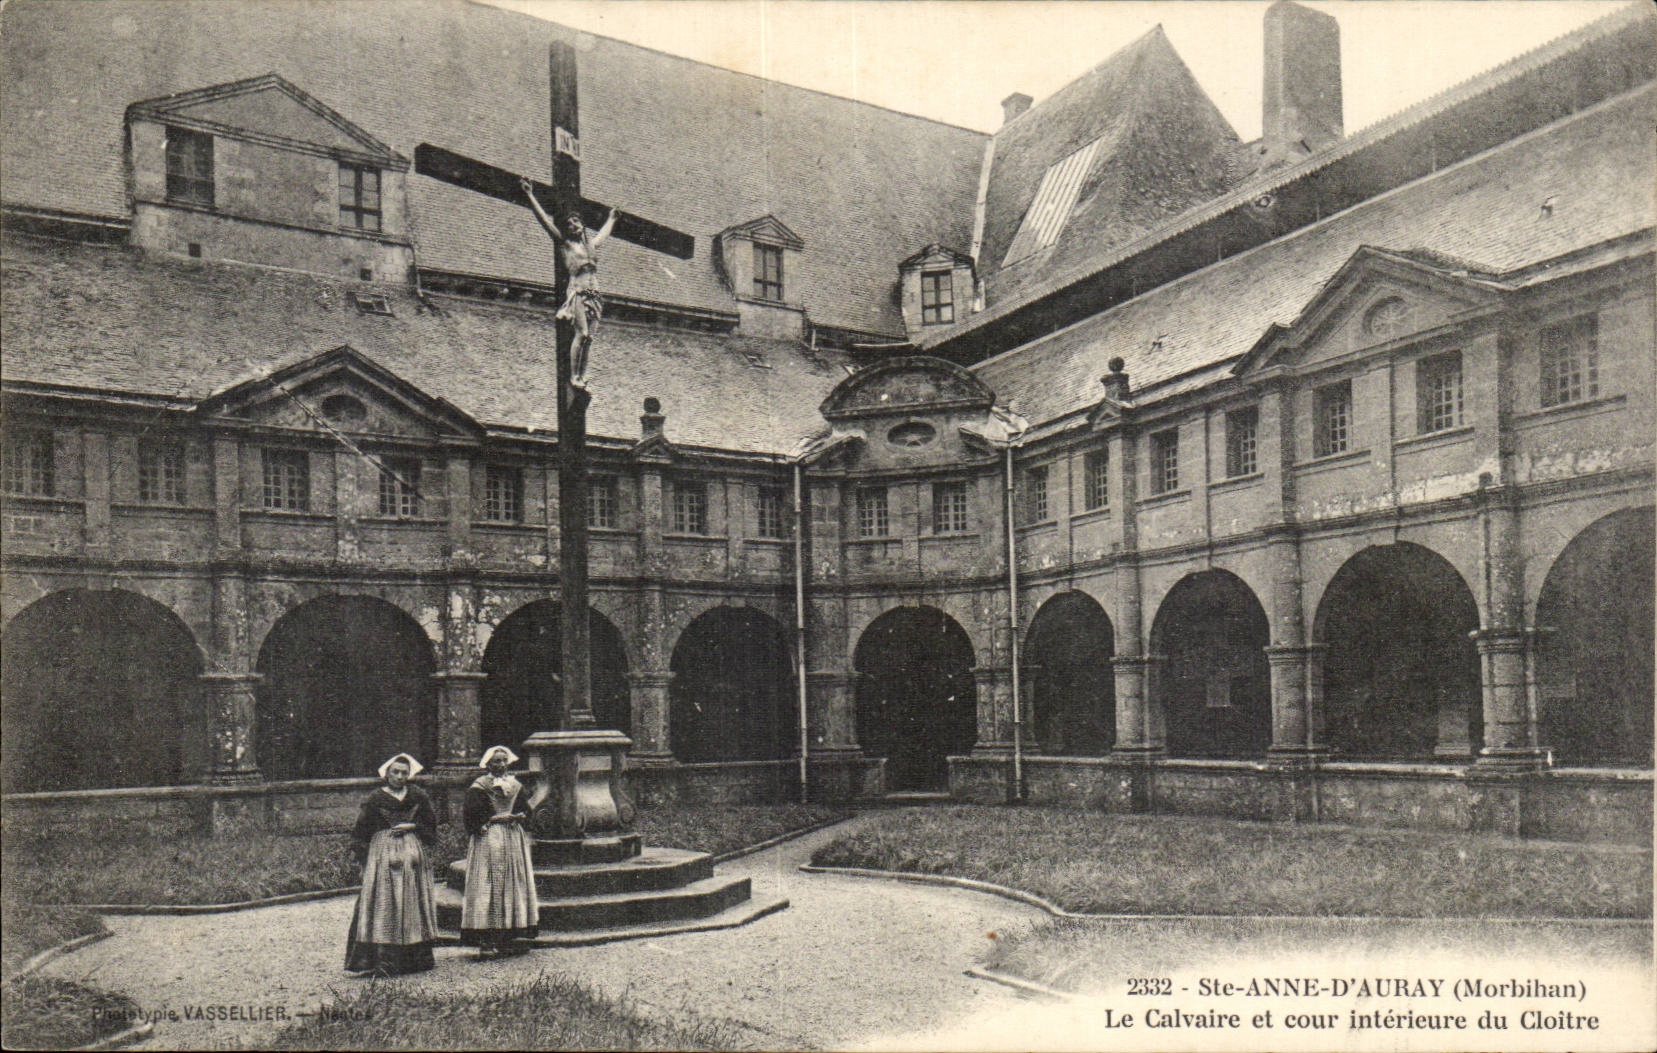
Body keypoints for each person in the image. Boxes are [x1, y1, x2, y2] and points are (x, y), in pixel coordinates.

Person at [344, 753, 439, 976]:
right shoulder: (375, 799)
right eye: (395, 772)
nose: (399, 776)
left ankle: (416, 959)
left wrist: (413, 827)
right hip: (383, 856)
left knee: (413, 902)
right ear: (387, 774)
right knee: (384, 904)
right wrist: (365, 861)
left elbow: (431, 825)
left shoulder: (418, 796)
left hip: (411, 857)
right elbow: (361, 832)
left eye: (404, 773)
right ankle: (384, 961)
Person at [521, 177, 616, 391]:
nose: (573, 226)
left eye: (576, 222)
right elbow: (545, 222)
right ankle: (574, 375)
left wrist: (611, 218)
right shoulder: (566, 246)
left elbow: (603, 234)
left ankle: (582, 376)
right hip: (579, 293)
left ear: (582, 224)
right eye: (569, 224)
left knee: (590, 339)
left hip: (595, 295)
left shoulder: (591, 246)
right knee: (582, 334)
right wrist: (529, 195)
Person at [460, 745, 539, 958]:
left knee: (513, 882)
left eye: (504, 760)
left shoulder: (515, 785)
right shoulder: (479, 787)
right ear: (488, 764)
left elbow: (526, 810)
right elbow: (471, 815)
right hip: (489, 838)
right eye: (496, 761)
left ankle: (512, 935)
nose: (501, 764)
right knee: (488, 884)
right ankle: (487, 938)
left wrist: (521, 816)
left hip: (512, 837)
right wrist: (485, 822)